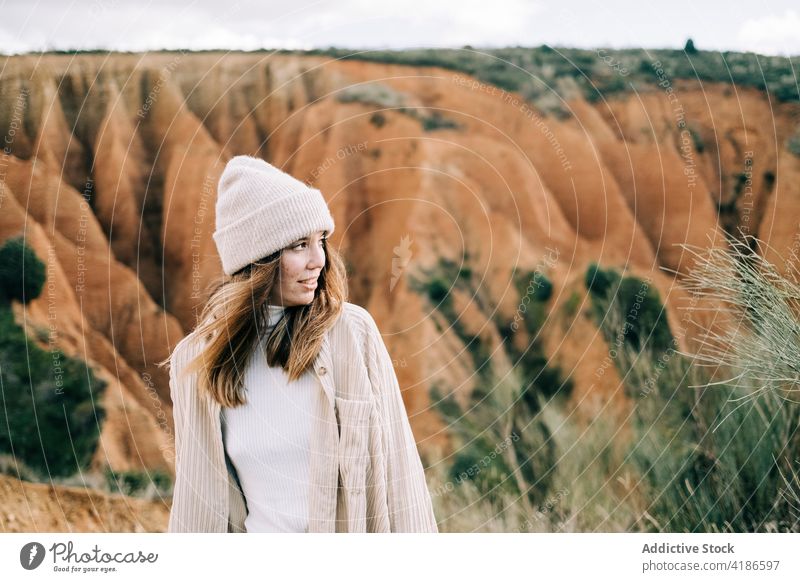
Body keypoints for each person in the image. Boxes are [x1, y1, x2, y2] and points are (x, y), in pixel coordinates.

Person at [161, 155, 438, 533]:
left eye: (320, 241)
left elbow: (402, 484)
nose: (318, 260)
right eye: (298, 245)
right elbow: (195, 505)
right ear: (258, 259)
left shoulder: (352, 335)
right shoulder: (196, 360)